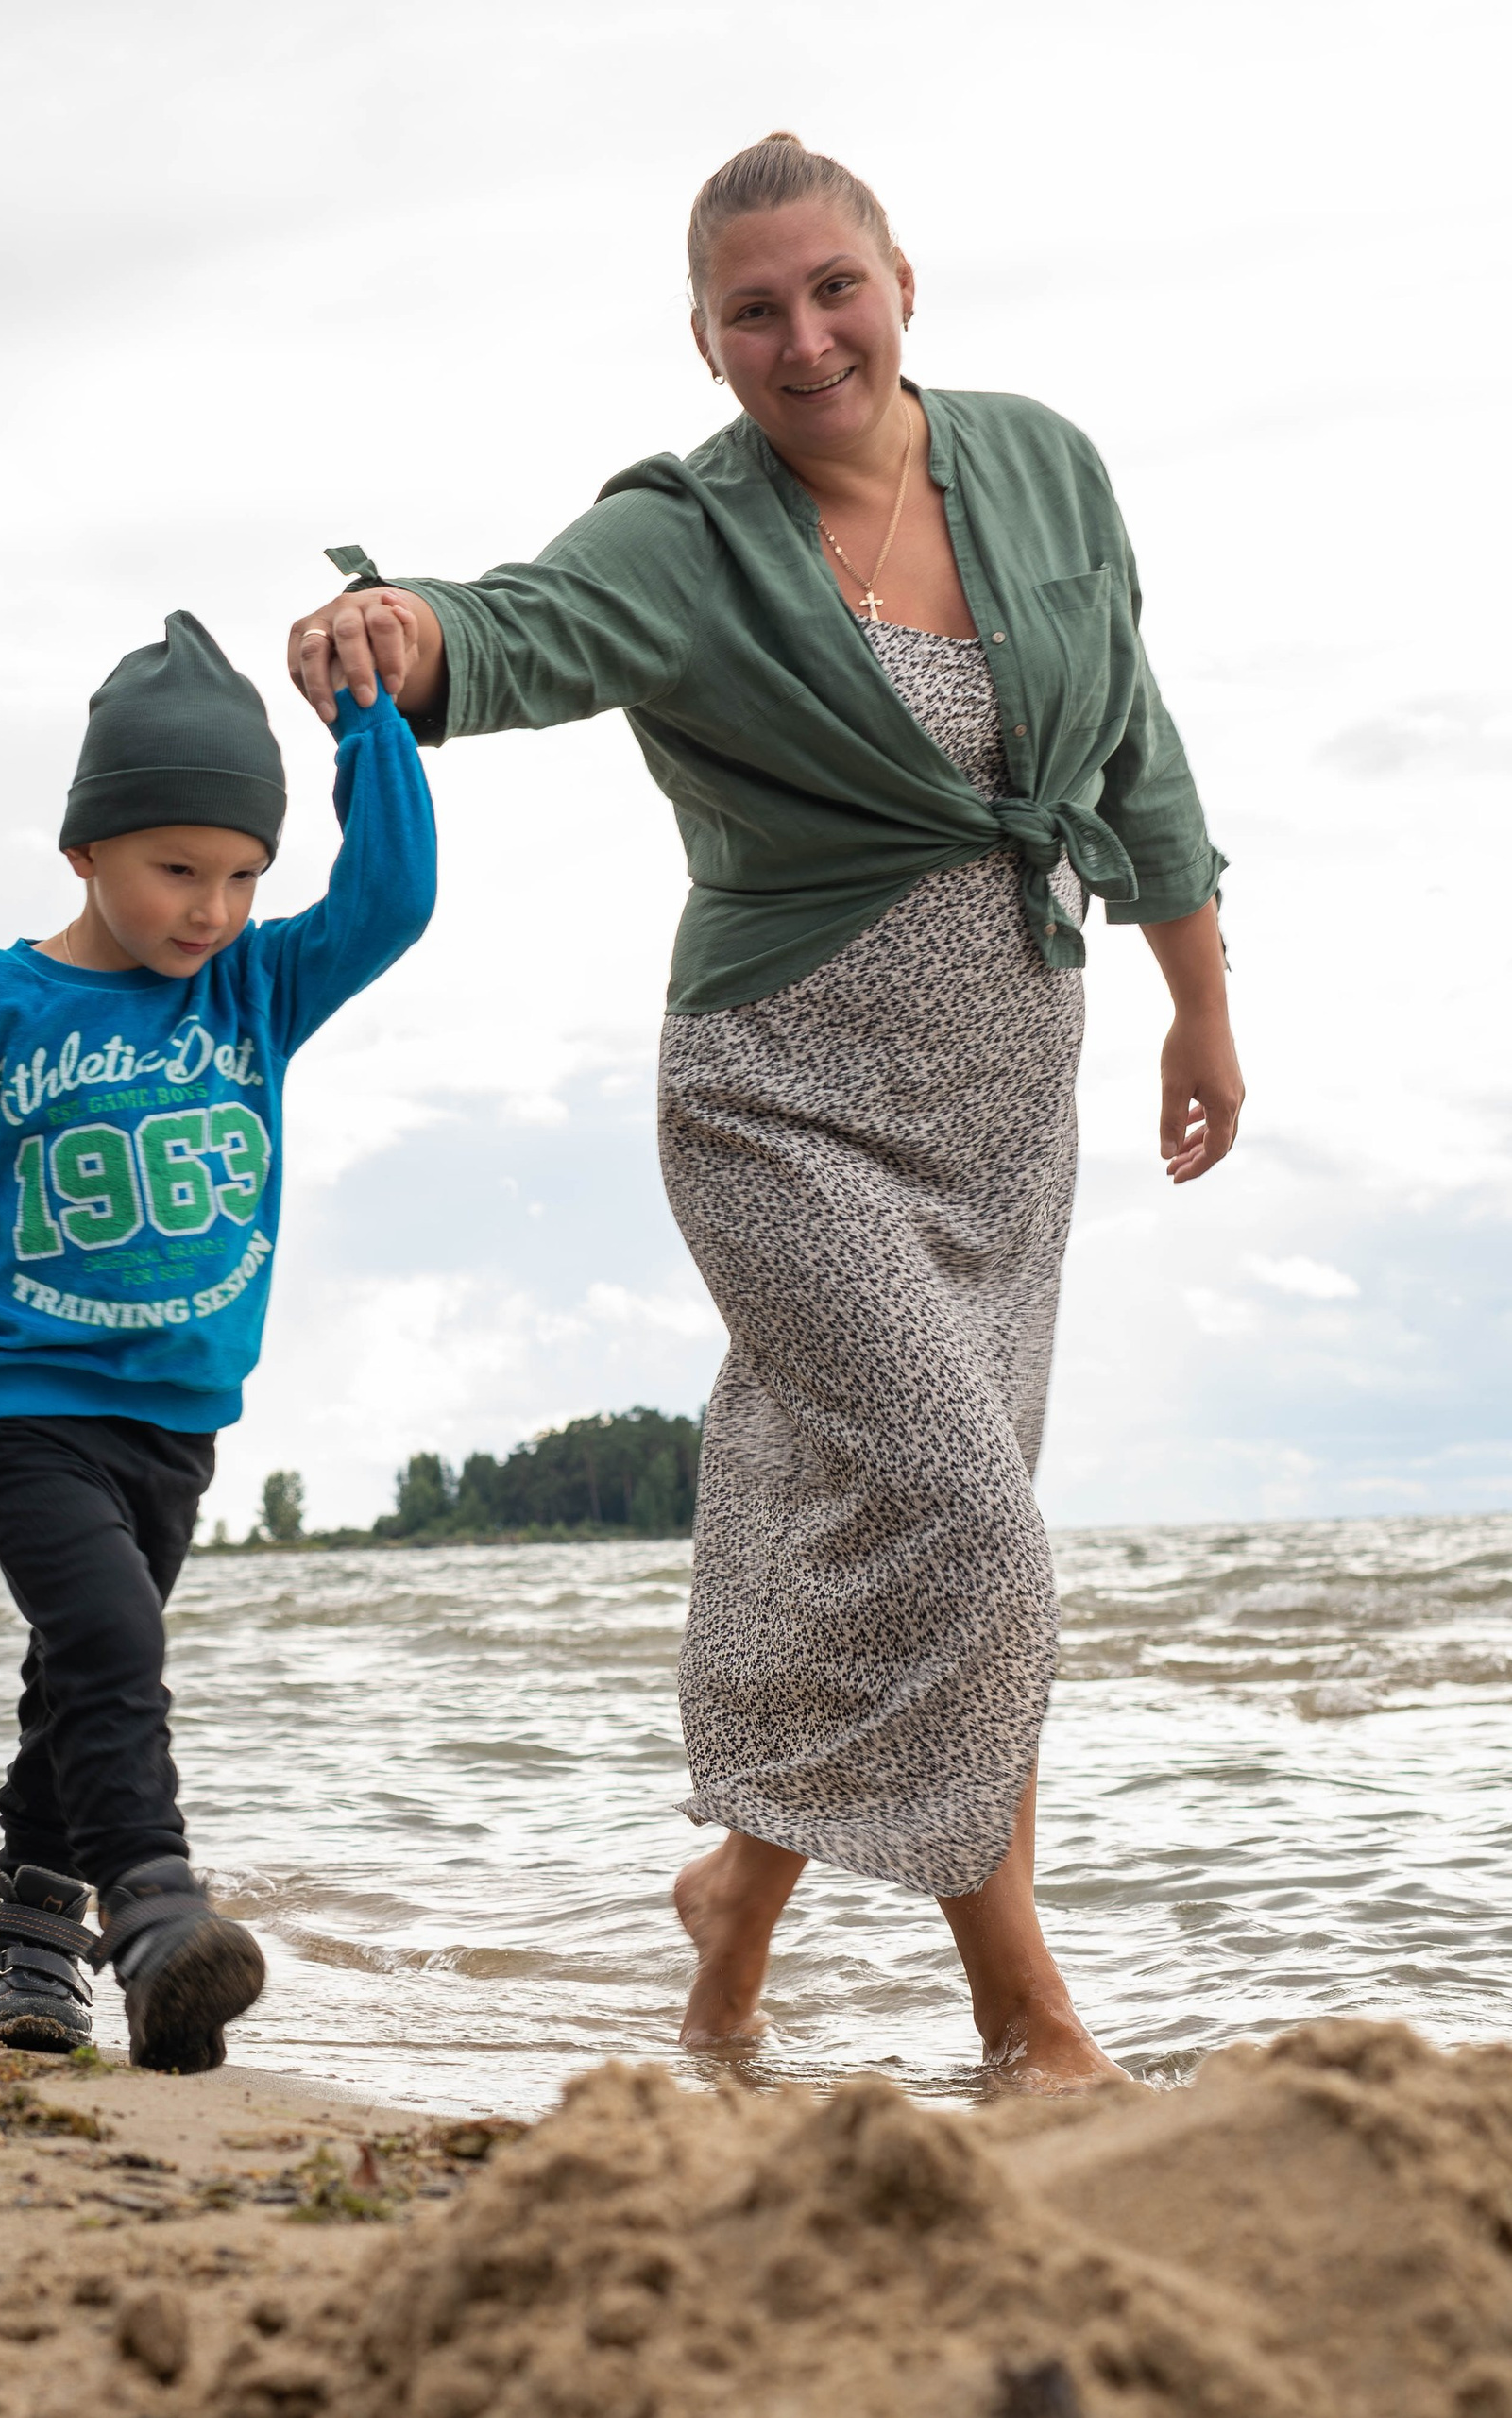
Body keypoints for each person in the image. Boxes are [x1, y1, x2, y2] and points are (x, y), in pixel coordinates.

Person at [287, 133, 1240, 2091]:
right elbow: (524, 622)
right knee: (973, 1527)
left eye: (832, 289)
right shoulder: (689, 537)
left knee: (891, 1528)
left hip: (1001, 1098)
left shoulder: (1045, 465)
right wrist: (395, 631)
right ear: (704, 341)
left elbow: (1133, 740)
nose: (802, 338)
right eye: (752, 310)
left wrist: (1194, 1003)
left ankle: (739, 1902)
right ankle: (1023, 2008)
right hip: (776, 1091)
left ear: (901, 281)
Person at [0, 612, 434, 2073]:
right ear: (86, 855)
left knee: (79, 1683)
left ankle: (26, 1945)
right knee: (113, 1643)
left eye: (244, 874)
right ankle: (159, 1919)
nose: (213, 910)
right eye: (179, 869)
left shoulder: (256, 991)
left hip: (178, 1412)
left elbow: (393, 900)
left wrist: (370, 732)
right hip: (23, 1400)